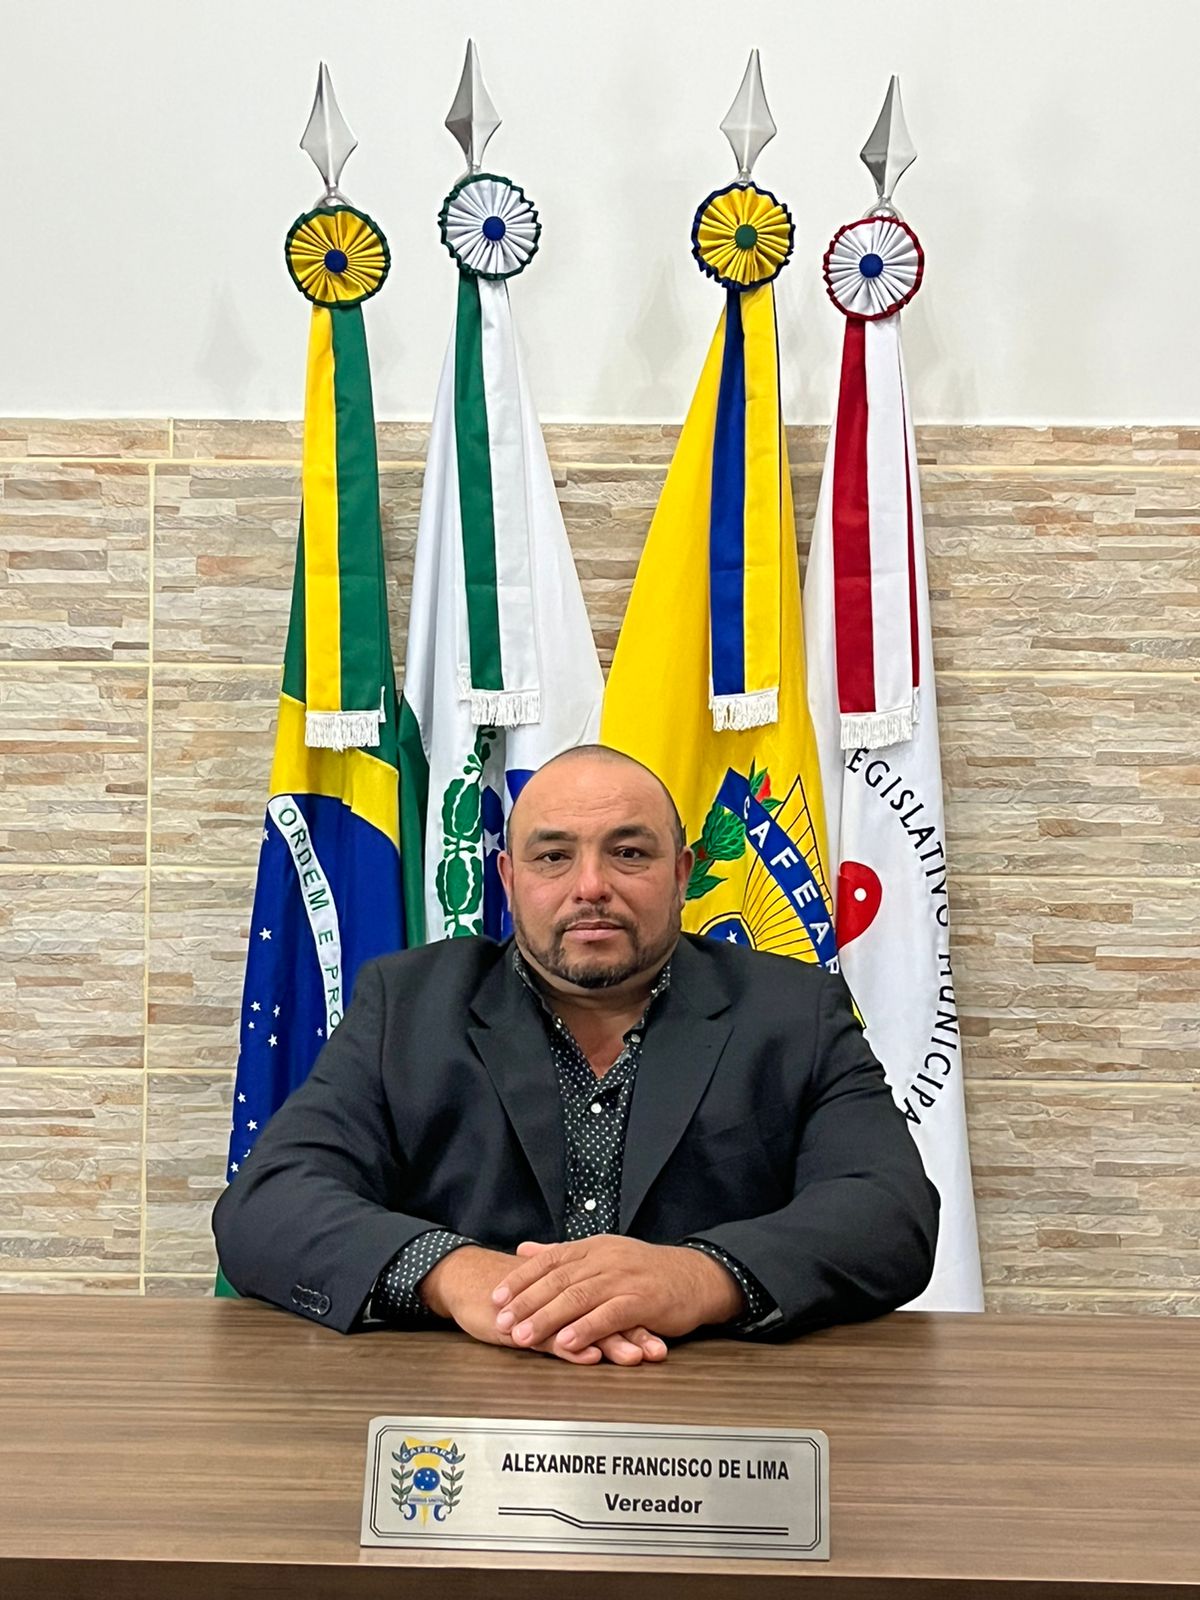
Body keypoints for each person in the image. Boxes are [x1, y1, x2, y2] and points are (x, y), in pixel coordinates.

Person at [213, 745, 938, 1365]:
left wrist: (697, 1278)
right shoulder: (405, 1006)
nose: (591, 887)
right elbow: (268, 1203)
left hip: (718, 1413)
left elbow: (889, 1212)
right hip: (461, 1410)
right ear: (509, 880)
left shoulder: (793, 1010)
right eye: (554, 857)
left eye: (629, 853)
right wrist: (458, 1276)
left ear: (682, 874)